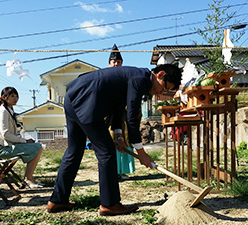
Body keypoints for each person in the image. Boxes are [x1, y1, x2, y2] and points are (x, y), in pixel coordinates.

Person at [47, 64, 181, 215]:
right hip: (87, 101)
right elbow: (131, 116)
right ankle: (110, 204)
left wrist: (118, 136)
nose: (161, 92)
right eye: (164, 87)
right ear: (160, 74)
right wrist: (141, 152)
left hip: (73, 98)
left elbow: (118, 107)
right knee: (107, 152)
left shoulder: (134, 76)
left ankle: (57, 200)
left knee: (74, 149)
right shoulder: (141, 80)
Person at [0, 87, 43, 188]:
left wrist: (24, 141)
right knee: (37, 147)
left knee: (36, 146)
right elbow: (5, 134)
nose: (15, 99)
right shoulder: (3, 111)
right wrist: (24, 141)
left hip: (8, 146)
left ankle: (29, 178)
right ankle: (28, 178)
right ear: (4, 97)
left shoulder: (8, 109)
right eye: (12, 96)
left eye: (16, 96)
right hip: (2, 148)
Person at [108, 44, 135, 180]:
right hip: (109, 114)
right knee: (112, 141)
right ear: (109, 63)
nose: (116, 64)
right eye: (114, 62)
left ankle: (123, 170)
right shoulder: (105, 77)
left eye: (118, 62)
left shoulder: (126, 77)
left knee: (125, 139)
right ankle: (113, 172)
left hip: (124, 114)